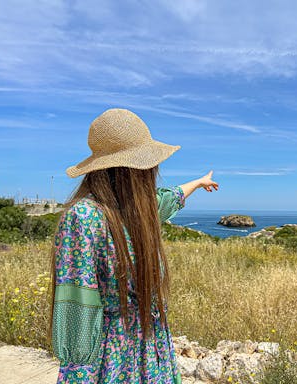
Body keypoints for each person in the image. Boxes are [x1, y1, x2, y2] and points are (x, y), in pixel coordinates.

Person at [50, 108, 219, 383]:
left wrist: (199, 183)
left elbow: (172, 196)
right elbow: (78, 309)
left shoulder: (139, 210)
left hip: (150, 347)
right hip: (110, 355)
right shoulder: (85, 216)